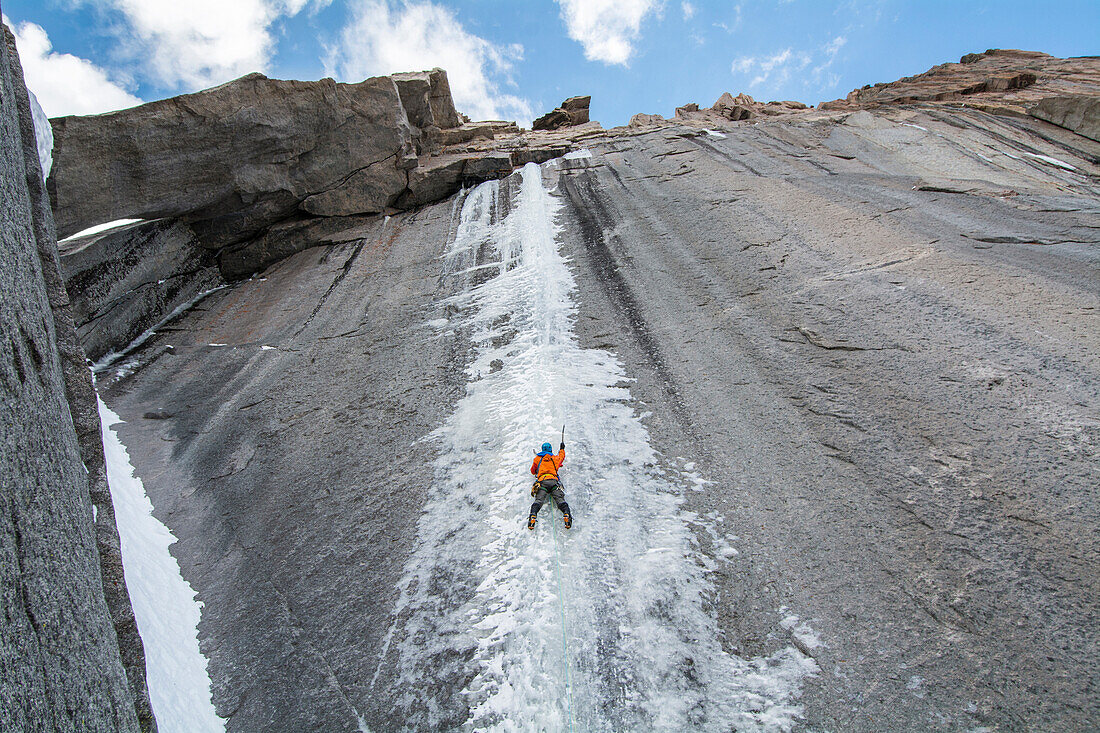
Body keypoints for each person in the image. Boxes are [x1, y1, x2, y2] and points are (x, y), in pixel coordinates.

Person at [528, 440, 571, 530]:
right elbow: (561, 457)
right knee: (560, 500)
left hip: (542, 482)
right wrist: (562, 449)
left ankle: (533, 516)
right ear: (551, 450)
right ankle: (566, 515)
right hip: (554, 481)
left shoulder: (537, 459)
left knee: (538, 501)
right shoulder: (555, 459)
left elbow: (533, 471)